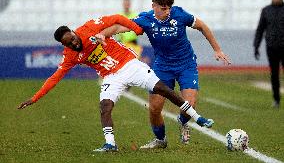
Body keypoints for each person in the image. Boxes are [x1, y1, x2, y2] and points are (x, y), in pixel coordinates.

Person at [18, 14, 214, 152]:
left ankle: (197, 117)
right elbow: (55, 77)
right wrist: (35, 98)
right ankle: (110, 144)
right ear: (64, 45)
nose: (74, 44)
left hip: (128, 64)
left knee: (162, 89)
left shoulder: (89, 28)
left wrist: (136, 29)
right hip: (111, 76)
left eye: (73, 39)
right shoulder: (70, 55)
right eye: (69, 43)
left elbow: (117, 18)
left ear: (73, 32)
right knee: (104, 106)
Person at [100, 0, 231, 149]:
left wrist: (217, 50)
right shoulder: (145, 19)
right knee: (155, 108)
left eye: (169, 7)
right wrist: (101, 34)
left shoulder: (180, 14)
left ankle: (183, 122)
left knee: (190, 104)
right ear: (154, 5)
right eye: (163, 8)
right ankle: (160, 140)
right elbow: (120, 27)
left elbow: (202, 26)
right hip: (162, 66)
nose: (167, 11)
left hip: (186, 64)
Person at [254, 0, 284, 109]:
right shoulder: (266, 10)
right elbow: (260, 29)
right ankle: (276, 99)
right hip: (271, 46)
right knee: (274, 74)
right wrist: (256, 46)